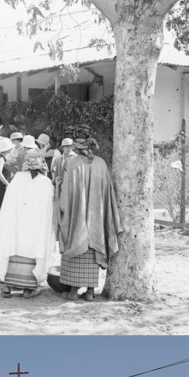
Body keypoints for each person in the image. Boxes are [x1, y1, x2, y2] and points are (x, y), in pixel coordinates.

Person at [57, 129, 122, 302]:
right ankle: (91, 291)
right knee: (94, 249)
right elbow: (108, 193)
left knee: (76, 246)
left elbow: (66, 195)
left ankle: (73, 291)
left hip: (77, 218)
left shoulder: (73, 163)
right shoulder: (101, 164)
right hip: (97, 219)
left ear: (77, 148)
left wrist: (58, 185)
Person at [0, 147, 57, 297]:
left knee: (12, 246)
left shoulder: (17, 179)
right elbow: (48, 211)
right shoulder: (46, 182)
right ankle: (29, 288)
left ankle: (7, 285)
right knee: (34, 249)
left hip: (16, 227)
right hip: (35, 229)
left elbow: (8, 205)